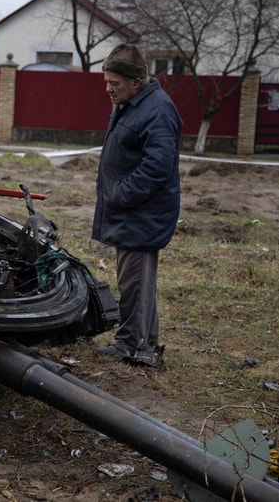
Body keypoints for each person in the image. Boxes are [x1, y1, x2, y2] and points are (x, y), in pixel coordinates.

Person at [92, 43, 183, 368]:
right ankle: (143, 342)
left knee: (135, 281)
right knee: (136, 281)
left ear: (135, 81)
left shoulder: (156, 110)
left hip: (142, 213)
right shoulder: (131, 104)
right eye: (106, 82)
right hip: (133, 212)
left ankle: (133, 345)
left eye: (114, 83)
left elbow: (157, 168)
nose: (108, 89)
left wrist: (120, 195)